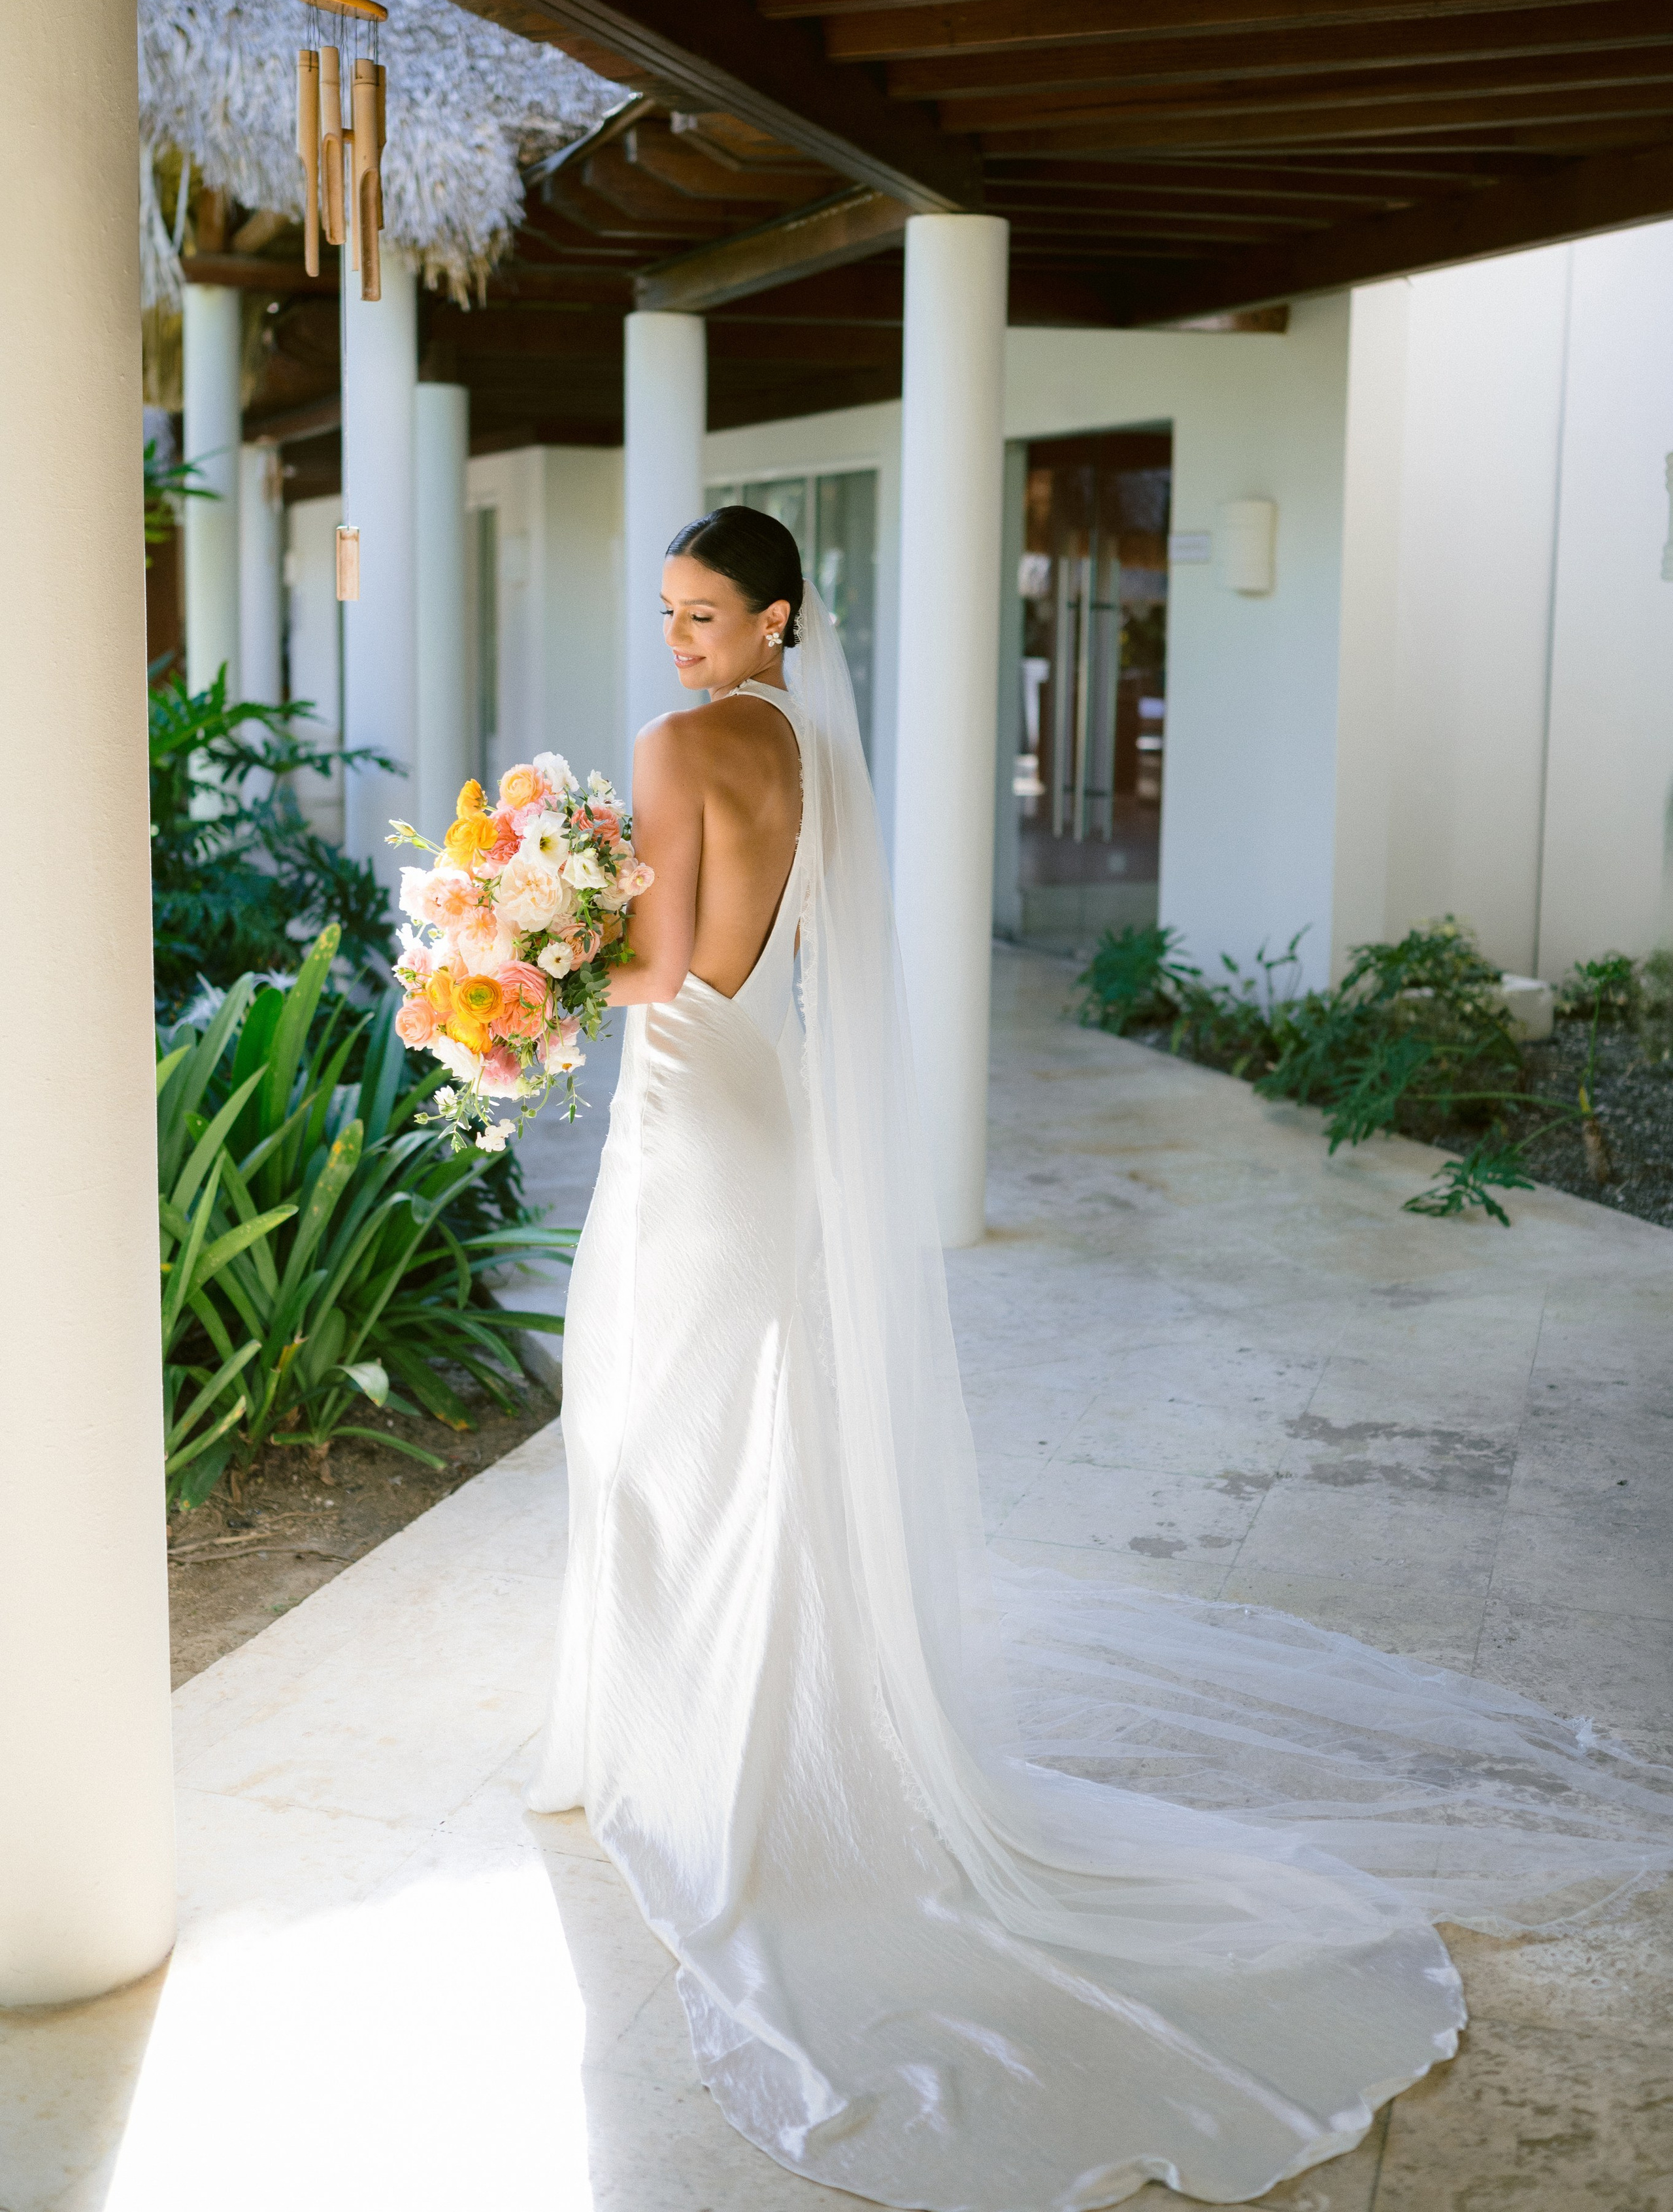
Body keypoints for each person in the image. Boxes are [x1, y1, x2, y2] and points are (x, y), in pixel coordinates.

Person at [528, 506, 1672, 2209]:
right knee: (733, 1431)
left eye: (705, 615)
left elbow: (655, 969)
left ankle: (687, 1766)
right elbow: (773, 955)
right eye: (671, 613)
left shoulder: (676, 748)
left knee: (650, 1431)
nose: (680, 639)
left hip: (692, 1131)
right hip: (766, 1111)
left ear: (776, 619)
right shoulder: (810, 753)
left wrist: (519, 946)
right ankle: (737, 1735)